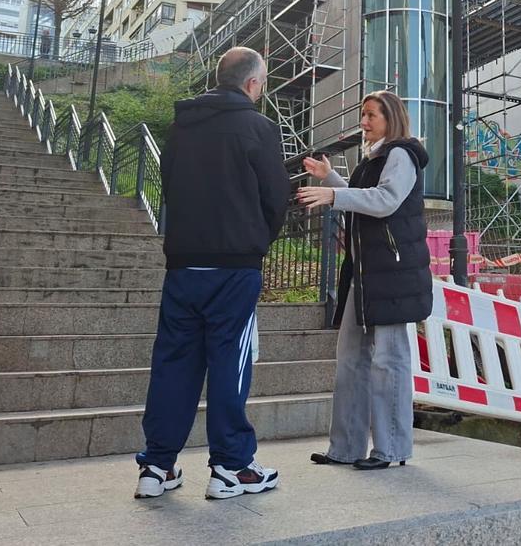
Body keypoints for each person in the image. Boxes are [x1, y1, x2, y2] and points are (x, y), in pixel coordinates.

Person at [133, 46, 291, 500]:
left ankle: (157, 466)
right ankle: (232, 466)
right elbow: (276, 196)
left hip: (184, 263)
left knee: (173, 363)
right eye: (262, 84)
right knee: (229, 362)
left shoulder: (181, 127)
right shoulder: (259, 128)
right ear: (253, 83)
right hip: (234, 266)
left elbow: (169, 185)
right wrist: (255, 240)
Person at [297, 90, 432, 471]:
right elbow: (366, 198)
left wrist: (332, 193)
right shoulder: (376, 157)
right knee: (351, 360)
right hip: (367, 273)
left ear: (391, 118)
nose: (364, 121)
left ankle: (391, 450)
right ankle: (345, 448)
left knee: (389, 361)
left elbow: (385, 200)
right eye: (363, 114)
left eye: (371, 115)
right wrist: (331, 178)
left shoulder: (400, 154)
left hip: (391, 275)